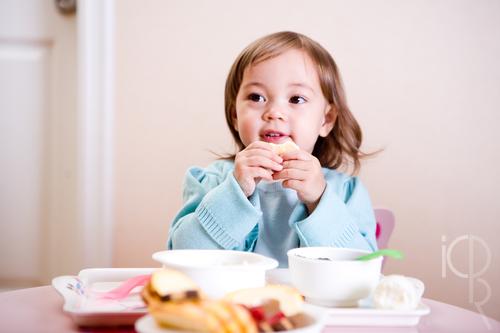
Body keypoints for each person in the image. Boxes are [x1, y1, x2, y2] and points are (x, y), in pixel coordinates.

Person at [168, 31, 377, 267]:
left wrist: (320, 201)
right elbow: (181, 256)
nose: (274, 112)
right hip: (229, 304)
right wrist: (235, 192)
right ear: (235, 115)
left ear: (326, 120)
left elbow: (365, 268)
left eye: (296, 99)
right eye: (256, 97)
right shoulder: (212, 181)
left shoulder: (346, 191)